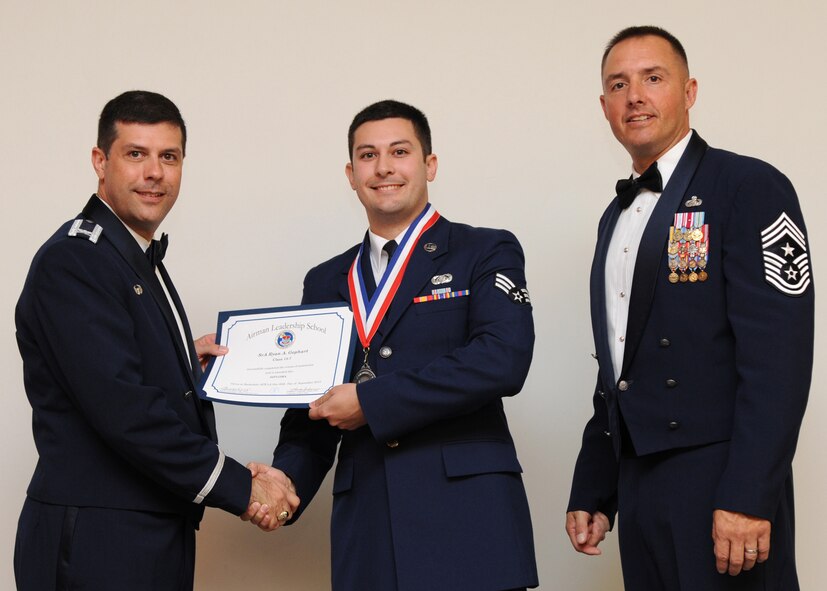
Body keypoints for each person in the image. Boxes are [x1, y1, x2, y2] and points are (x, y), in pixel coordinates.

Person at [14, 90, 298, 591]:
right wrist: (244, 485)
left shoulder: (131, 253)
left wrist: (184, 359)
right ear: (101, 162)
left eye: (169, 156)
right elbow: (126, 409)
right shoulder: (76, 260)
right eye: (136, 154)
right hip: (100, 540)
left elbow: (113, 365)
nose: (155, 172)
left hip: (144, 528)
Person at [249, 100, 538, 590]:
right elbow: (311, 411)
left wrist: (370, 401)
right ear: (350, 173)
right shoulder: (325, 280)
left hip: (470, 524)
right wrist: (283, 484)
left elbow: (502, 360)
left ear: (430, 164)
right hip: (370, 528)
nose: (383, 167)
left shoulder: (485, 251)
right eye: (368, 155)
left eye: (399, 151)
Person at [565, 26, 813, 590]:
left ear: (689, 90)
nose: (635, 96)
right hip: (640, 484)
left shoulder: (750, 186)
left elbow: (780, 358)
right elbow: (619, 368)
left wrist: (750, 495)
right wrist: (595, 487)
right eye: (618, 84)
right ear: (604, 105)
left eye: (653, 78)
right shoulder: (615, 217)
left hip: (723, 480)